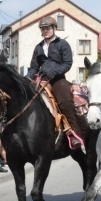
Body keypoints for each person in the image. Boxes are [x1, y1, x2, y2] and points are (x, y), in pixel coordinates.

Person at [26, 15, 84, 150]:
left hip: (58, 80)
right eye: (43, 29)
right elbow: (34, 66)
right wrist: (26, 79)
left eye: (47, 28)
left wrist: (55, 72)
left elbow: (67, 63)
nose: (45, 31)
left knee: (65, 101)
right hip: (41, 79)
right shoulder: (38, 47)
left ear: (53, 28)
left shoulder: (63, 44)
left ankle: (73, 133)